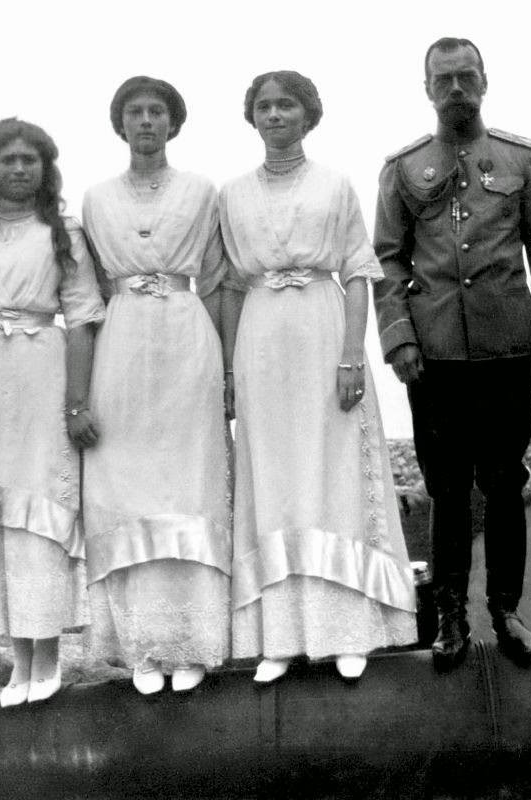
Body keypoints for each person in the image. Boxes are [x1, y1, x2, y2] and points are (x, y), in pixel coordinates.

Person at [373, 38, 531, 671]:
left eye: (466, 77)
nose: (456, 89)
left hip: (508, 351)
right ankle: (451, 616)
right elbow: (387, 261)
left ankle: (506, 610)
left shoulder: (524, 160)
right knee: (447, 487)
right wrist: (400, 337)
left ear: (484, 81)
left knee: (505, 484)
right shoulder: (403, 169)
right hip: (433, 360)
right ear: (426, 88)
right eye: (443, 79)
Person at [219, 71, 418, 685]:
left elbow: (358, 273)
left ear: (309, 116)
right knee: (272, 480)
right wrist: (229, 368)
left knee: (332, 477)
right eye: (264, 106)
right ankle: (279, 636)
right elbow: (227, 285)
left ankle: (346, 630)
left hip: (322, 332)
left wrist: (351, 356)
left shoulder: (335, 185)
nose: (275, 115)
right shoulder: (230, 194)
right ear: (252, 118)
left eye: (287, 105)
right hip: (260, 340)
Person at [0, 119, 105, 707]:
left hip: (41, 370)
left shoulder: (65, 233)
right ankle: (18, 660)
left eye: (30, 159)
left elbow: (83, 318)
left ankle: (49, 654)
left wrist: (76, 399)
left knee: (42, 509)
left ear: (45, 167)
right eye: (7, 159)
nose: (18, 168)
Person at [81, 76, 232, 695]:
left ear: (173, 123)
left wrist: (227, 372)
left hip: (185, 340)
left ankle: (193, 643)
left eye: (157, 112)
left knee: (189, 485)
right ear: (121, 124)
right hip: (119, 349)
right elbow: (85, 294)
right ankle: (142, 647)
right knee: (125, 491)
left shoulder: (203, 193)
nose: (146, 121)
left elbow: (220, 282)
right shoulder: (94, 199)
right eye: (135, 113)